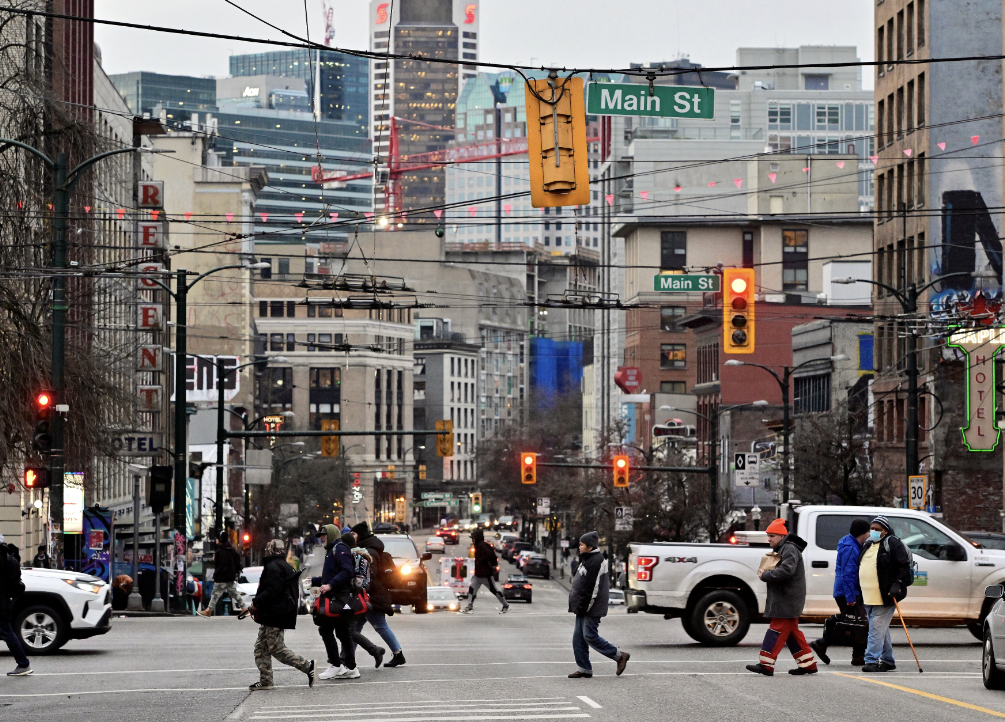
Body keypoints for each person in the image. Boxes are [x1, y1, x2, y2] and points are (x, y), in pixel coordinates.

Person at [746, 518, 817, 676]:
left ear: (781, 536)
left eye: (772, 535)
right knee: (792, 633)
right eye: (768, 535)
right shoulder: (786, 548)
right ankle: (808, 664)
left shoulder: (789, 548)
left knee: (776, 630)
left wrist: (766, 575)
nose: (769, 539)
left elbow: (787, 571)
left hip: (787, 599)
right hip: (789, 598)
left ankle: (766, 664)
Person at [247, 539, 315, 690]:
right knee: (261, 648)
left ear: (270, 550)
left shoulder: (273, 567)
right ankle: (266, 681)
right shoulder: (285, 566)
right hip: (276, 613)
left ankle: (308, 666)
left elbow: (272, 592)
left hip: (274, 614)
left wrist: (255, 604)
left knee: (276, 648)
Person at [568, 531, 629, 679]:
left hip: (591, 607)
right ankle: (584, 668)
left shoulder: (596, 561)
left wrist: (585, 607)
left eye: (582, 544)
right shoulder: (587, 558)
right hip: (583, 606)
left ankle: (619, 656)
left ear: (589, 547)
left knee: (589, 635)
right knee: (578, 638)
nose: (579, 547)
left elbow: (592, 588)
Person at [810, 518, 871, 666]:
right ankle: (823, 644)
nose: (870, 534)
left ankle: (856, 655)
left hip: (847, 591)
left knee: (856, 622)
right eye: (869, 531)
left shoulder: (851, 544)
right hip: (848, 592)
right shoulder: (851, 548)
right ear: (862, 533)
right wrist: (851, 597)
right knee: (858, 623)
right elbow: (848, 574)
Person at [858, 515, 913, 673]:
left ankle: (871, 660)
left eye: (878, 529)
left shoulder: (892, 543)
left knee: (876, 628)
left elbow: (903, 565)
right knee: (880, 629)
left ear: (886, 531)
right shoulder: (868, 544)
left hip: (886, 595)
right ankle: (888, 660)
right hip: (868, 595)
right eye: (872, 529)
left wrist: (898, 584)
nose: (874, 532)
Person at [351, 521, 406, 667]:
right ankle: (348, 659)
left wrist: (363, 589)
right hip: (371, 595)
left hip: (372, 596)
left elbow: (370, 575)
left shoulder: (370, 551)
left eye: (354, 534)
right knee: (355, 628)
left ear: (361, 535)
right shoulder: (368, 548)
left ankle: (398, 654)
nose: (352, 537)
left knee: (379, 626)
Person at [312, 525, 359, 680]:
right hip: (338, 597)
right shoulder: (333, 550)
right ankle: (351, 668)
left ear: (331, 534)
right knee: (342, 632)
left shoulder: (339, 549)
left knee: (325, 630)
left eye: (324, 535)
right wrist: (314, 581)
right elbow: (331, 576)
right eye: (320, 535)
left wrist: (330, 585)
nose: (321, 537)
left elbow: (347, 571)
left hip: (339, 598)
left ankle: (336, 665)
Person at [342, 531, 385, 668]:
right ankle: (344, 658)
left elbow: (360, 582)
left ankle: (374, 650)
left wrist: (348, 587)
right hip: (360, 598)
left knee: (349, 631)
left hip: (355, 599)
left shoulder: (355, 557)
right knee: (348, 630)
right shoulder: (363, 557)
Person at [198, 531, 247, 618]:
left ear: (220, 539)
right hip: (230, 576)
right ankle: (244, 608)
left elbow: (223, 564)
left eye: (217, 538)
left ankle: (208, 611)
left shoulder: (223, 551)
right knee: (234, 592)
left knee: (215, 593)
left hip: (223, 577)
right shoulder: (230, 549)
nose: (216, 540)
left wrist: (216, 574)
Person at [0, 540, 31, 675]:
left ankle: (23, 664)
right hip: (4, 601)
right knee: (6, 631)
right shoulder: (8, 558)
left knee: (6, 631)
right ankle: (23, 664)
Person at [461, 528, 509, 614]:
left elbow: (489, 554)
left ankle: (506, 605)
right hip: (478, 574)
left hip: (486, 574)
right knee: (472, 589)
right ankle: (469, 606)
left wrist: (481, 560)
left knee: (494, 590)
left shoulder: (482, 545)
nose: (472, 540)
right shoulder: (479, 546)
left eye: (473, 538)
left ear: (477, 538)